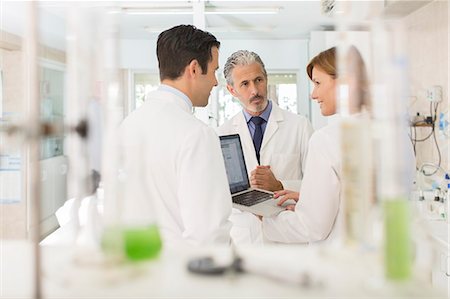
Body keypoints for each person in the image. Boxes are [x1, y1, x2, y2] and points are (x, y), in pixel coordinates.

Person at [118, 25, 232, 247]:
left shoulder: (128, 125)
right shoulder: (197, 134)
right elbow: (209, 234)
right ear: (194, 69)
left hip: (140, 264)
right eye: (214, 71)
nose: (216, 82)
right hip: (183, 272)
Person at [261, 46, 368, 243]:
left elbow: (311, 228)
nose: (313, 94)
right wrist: (309, 199)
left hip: (343, 265)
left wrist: (265, 219)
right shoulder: (396, 132)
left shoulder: (328, 139)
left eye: (318, 83)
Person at [218, 50, 313, 192]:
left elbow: (317, 183)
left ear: (266, 78)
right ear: (232, 90)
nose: (255, 90)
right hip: (245, 214)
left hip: (285, 212)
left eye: (258, 80)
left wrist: (280, 186)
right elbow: (220, 190)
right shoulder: (223, 133)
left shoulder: (300, 126)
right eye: (245, 84)